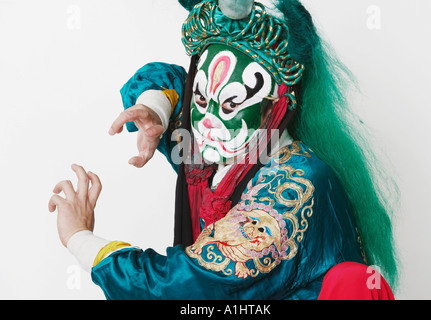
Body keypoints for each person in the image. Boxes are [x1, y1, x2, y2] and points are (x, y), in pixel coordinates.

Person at [49, 0, 398, 299]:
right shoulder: (213, 148)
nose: (207, 123)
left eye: (231, 105)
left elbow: (185, 286)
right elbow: (167, 80)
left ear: (275, 107)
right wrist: (156, 109)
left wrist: (79, 238)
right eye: (201, 99)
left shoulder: (295, 188)